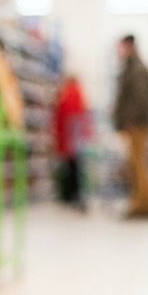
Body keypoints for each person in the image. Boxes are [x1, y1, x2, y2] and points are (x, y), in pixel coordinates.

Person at [113, 34, 148, 219]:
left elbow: (139, 99)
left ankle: (143, 205)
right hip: (134, 124)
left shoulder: (137, 69)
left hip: (137, 125)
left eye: (120, 47)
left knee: (138, 165)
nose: (118, 51)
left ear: (129, 46)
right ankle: (140, 203)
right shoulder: (131, 68)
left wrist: (130, 120)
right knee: (135, 164)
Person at [53, 75, 90, 209]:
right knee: (76, 166)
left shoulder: (69, 95)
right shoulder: (79, 94)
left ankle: (72, 195)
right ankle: (75, 195)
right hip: (75, 139)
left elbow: (64, 117)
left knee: (72, 167)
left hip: (70, 138)